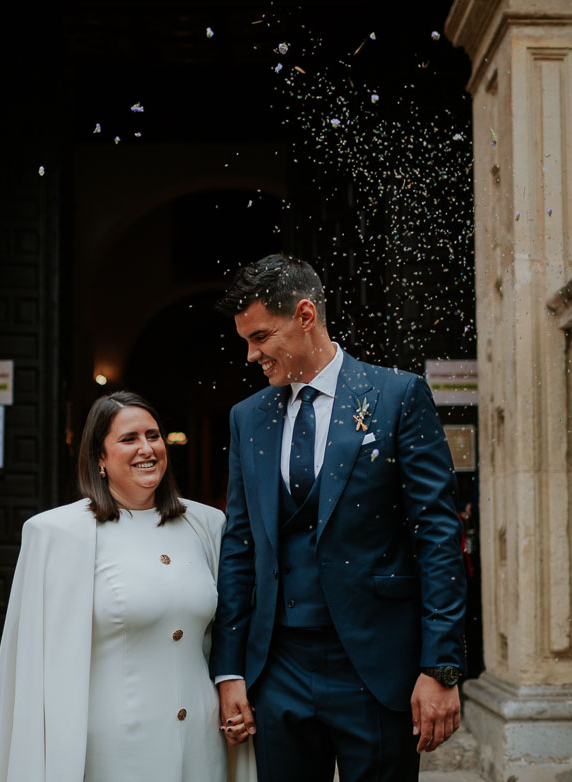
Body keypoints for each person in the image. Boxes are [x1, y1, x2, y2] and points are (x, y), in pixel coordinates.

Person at [209, 254, 467, 782]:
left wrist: (440, 667)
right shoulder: (247, 418)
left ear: (306, 315)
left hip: (374, 665)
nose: (251, 354)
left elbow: (438, 534)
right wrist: (230, 670)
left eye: (261, 336)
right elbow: (240, 545)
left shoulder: (397, 396)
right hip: (277, 668)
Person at [0, 390, 255, 782]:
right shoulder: (56, 534)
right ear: (99, 458)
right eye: (129, 439)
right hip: (113, 750)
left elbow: (229, 626)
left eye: (154, 435)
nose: (147, 448)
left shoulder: (208, 525)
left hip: (200, 742)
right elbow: (36, 666)